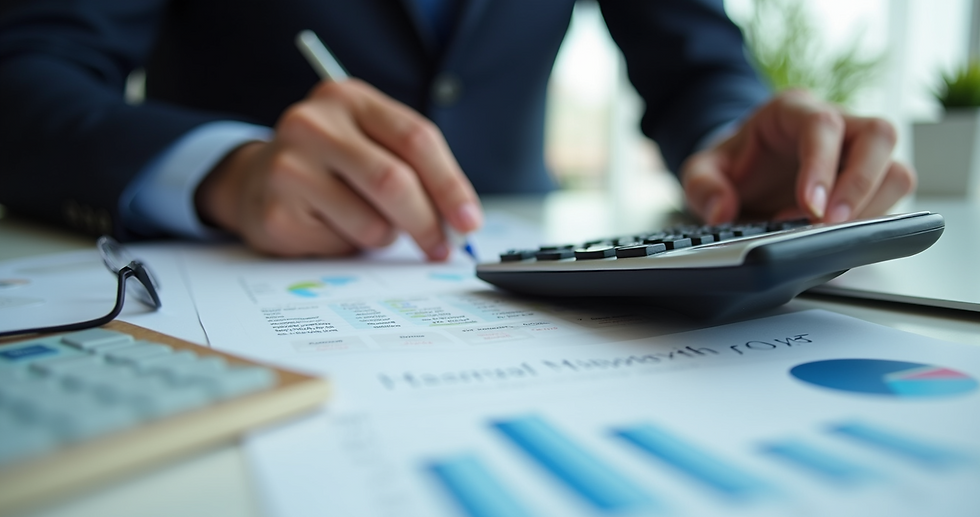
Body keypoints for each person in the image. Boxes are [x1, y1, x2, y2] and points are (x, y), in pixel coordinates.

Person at [0, 0, 914, 260]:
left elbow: (696, 60)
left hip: (523, 271)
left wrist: (733, 134)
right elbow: (25, 69)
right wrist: (223, 169)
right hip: (243, 283)